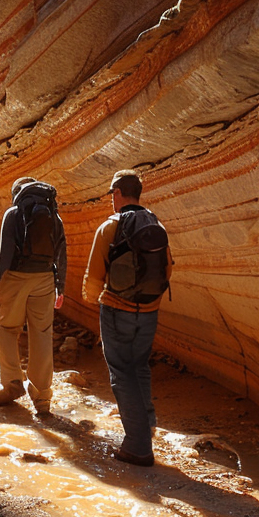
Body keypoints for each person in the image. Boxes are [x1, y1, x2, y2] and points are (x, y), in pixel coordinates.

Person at [83, 169, 173, 467]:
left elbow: (94, 277)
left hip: (117, 309)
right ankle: (146, 425)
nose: (112, 199)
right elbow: (169, 268)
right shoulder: (154, 222)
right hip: (149, 310)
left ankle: (138, 446)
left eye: (113, 194)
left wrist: (95, 299)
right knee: (139, 367)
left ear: (118, 193)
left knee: (121, 372)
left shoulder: (110, 226)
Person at [0, 176, 67, 416]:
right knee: (42, 334)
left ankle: (13, 383)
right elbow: (61, 253)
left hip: (16, 277)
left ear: (17, 194)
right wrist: (60, 287)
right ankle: (42, 397)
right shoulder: (54, 217)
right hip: (45, 279)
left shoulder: (13, 214)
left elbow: (5, 250)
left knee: (6, 328)